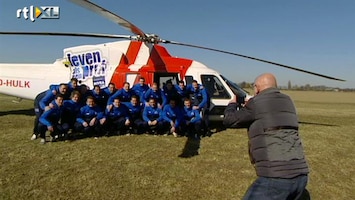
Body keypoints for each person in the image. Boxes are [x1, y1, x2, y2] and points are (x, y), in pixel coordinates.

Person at [223, 73, 309, 200]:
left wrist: (232, 105)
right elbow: (269, 116)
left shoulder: (256, 103)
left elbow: (229, 120)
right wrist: (250, 107)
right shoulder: (288, 100)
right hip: (301, 175)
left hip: (276, 176)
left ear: (257, 88)